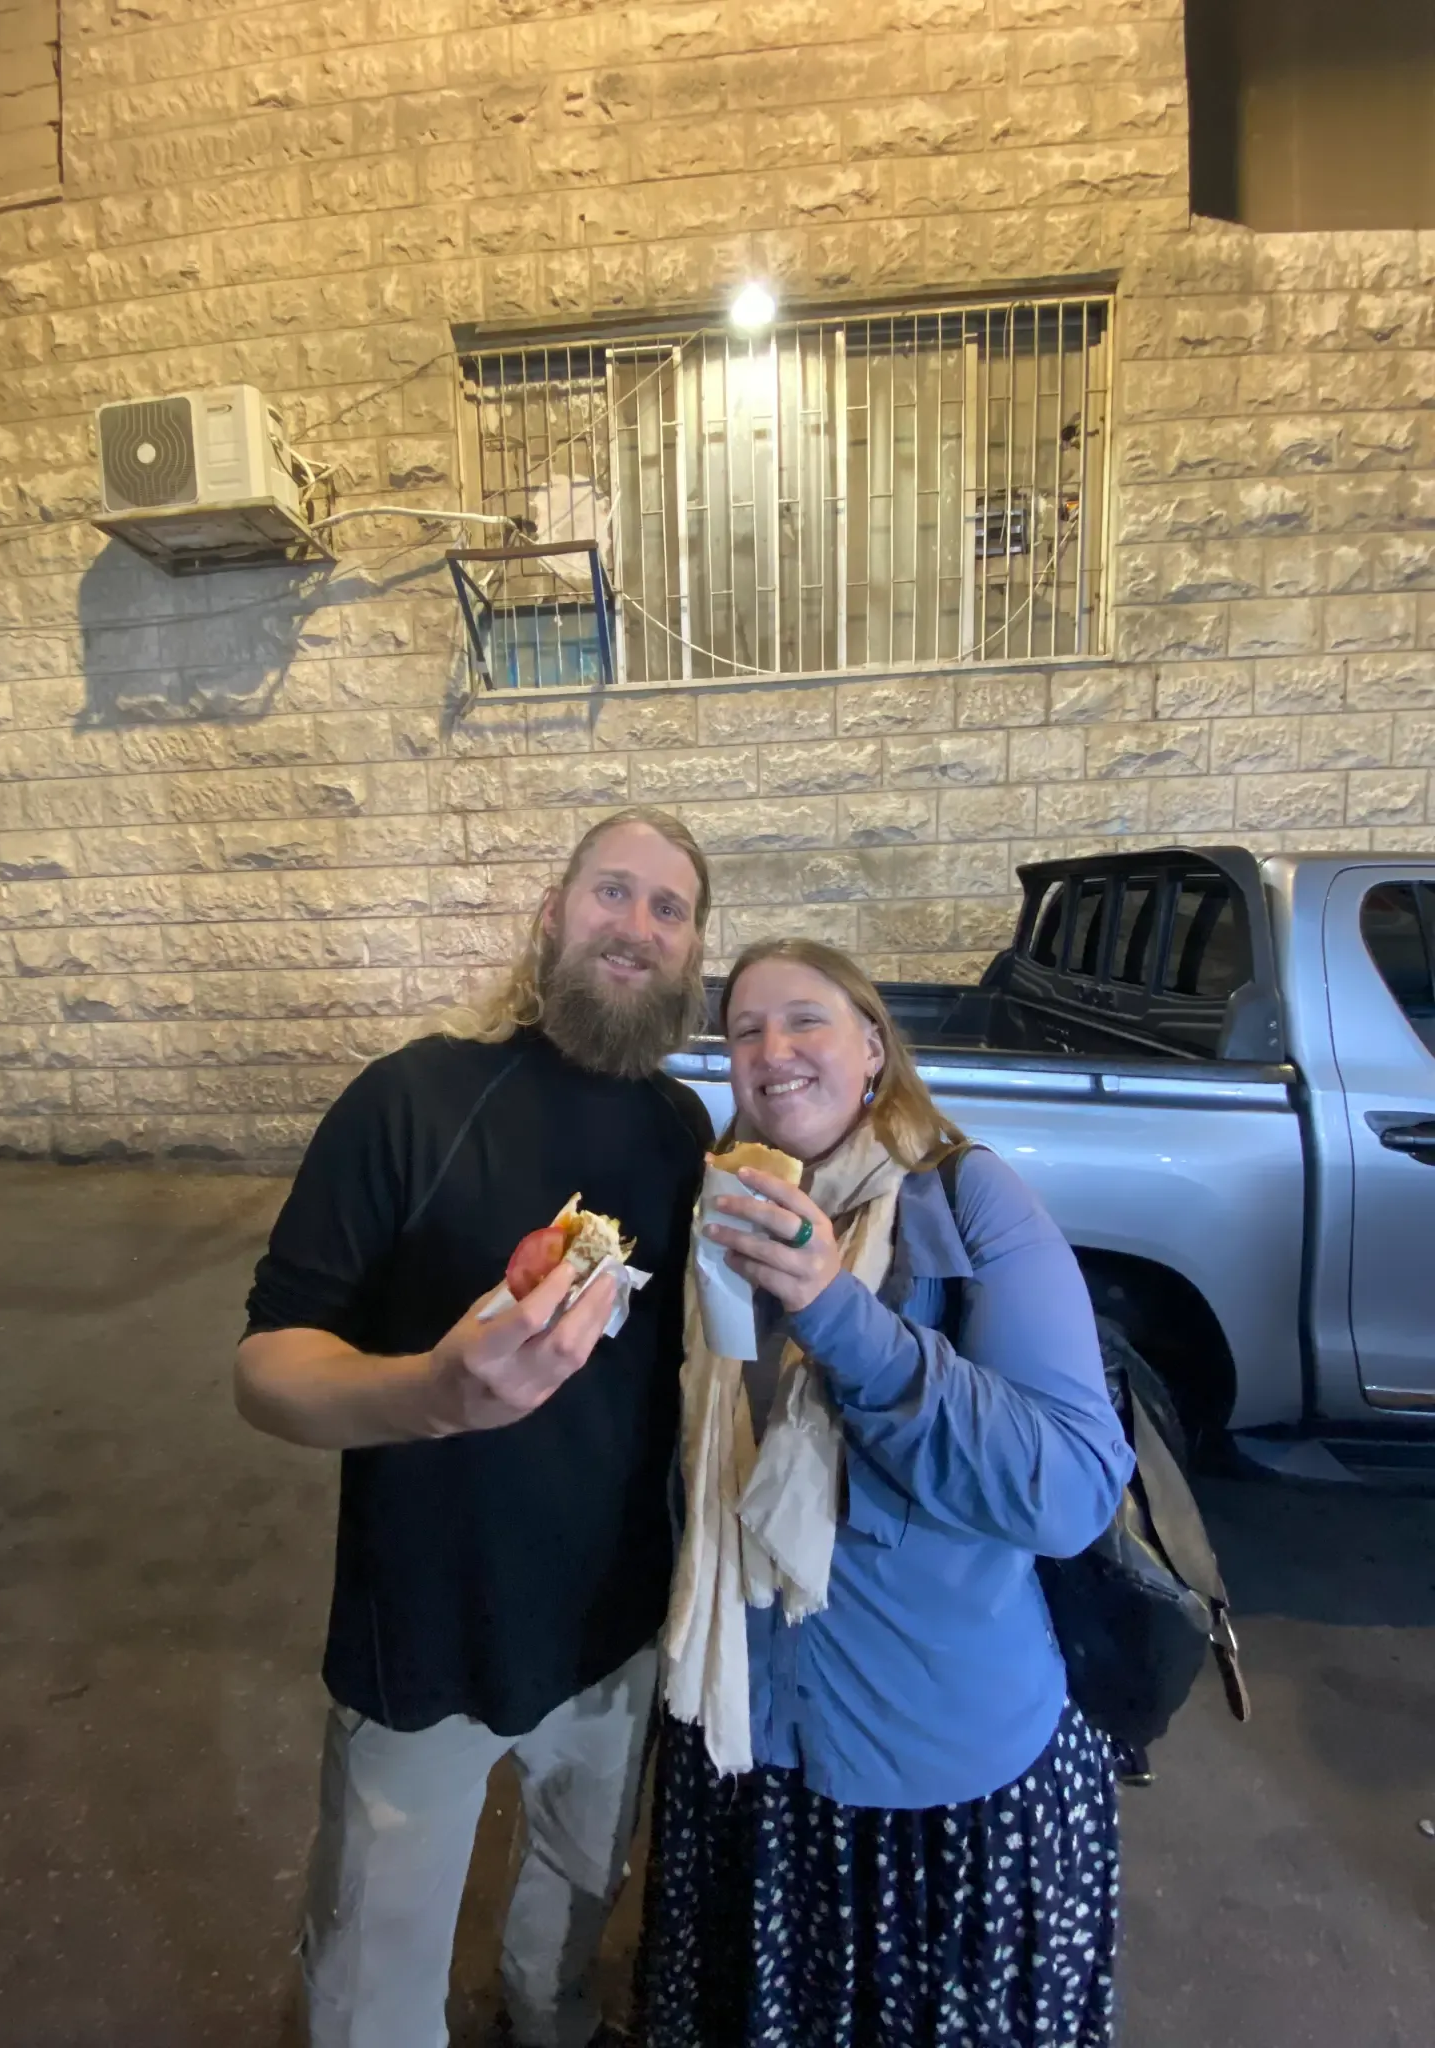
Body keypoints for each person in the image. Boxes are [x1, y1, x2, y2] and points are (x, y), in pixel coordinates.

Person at [235, 807, 715, 2048]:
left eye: (670, 908)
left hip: (616, 1629)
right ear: (552, 916)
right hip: (429, 1635)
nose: (637, 925)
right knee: (373, 1985)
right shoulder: (411, 1099)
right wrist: (431, 1396)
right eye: (612, 891)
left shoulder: (685, 1131)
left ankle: (551, 2023)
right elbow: (267, 1368)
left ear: (692, 954)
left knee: (571, 1924)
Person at [637, 938, 1135, 2048]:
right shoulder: (724, 1203)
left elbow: (1070, 1490)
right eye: (746, 1030)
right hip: (752, 1762)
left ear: (873, 1046)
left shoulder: (968, 1197)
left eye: (804, 1020)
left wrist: (838, 1313)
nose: (772, 1049)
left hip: (938, 1786)